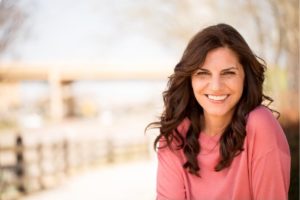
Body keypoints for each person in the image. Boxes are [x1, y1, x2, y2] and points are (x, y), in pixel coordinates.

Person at [147, 23, 290, 200]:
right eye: (203, 73)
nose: (216, 86)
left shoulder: (260, 125)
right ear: (189, 79)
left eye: (228, 73)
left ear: (245, 77)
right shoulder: (174, 138)